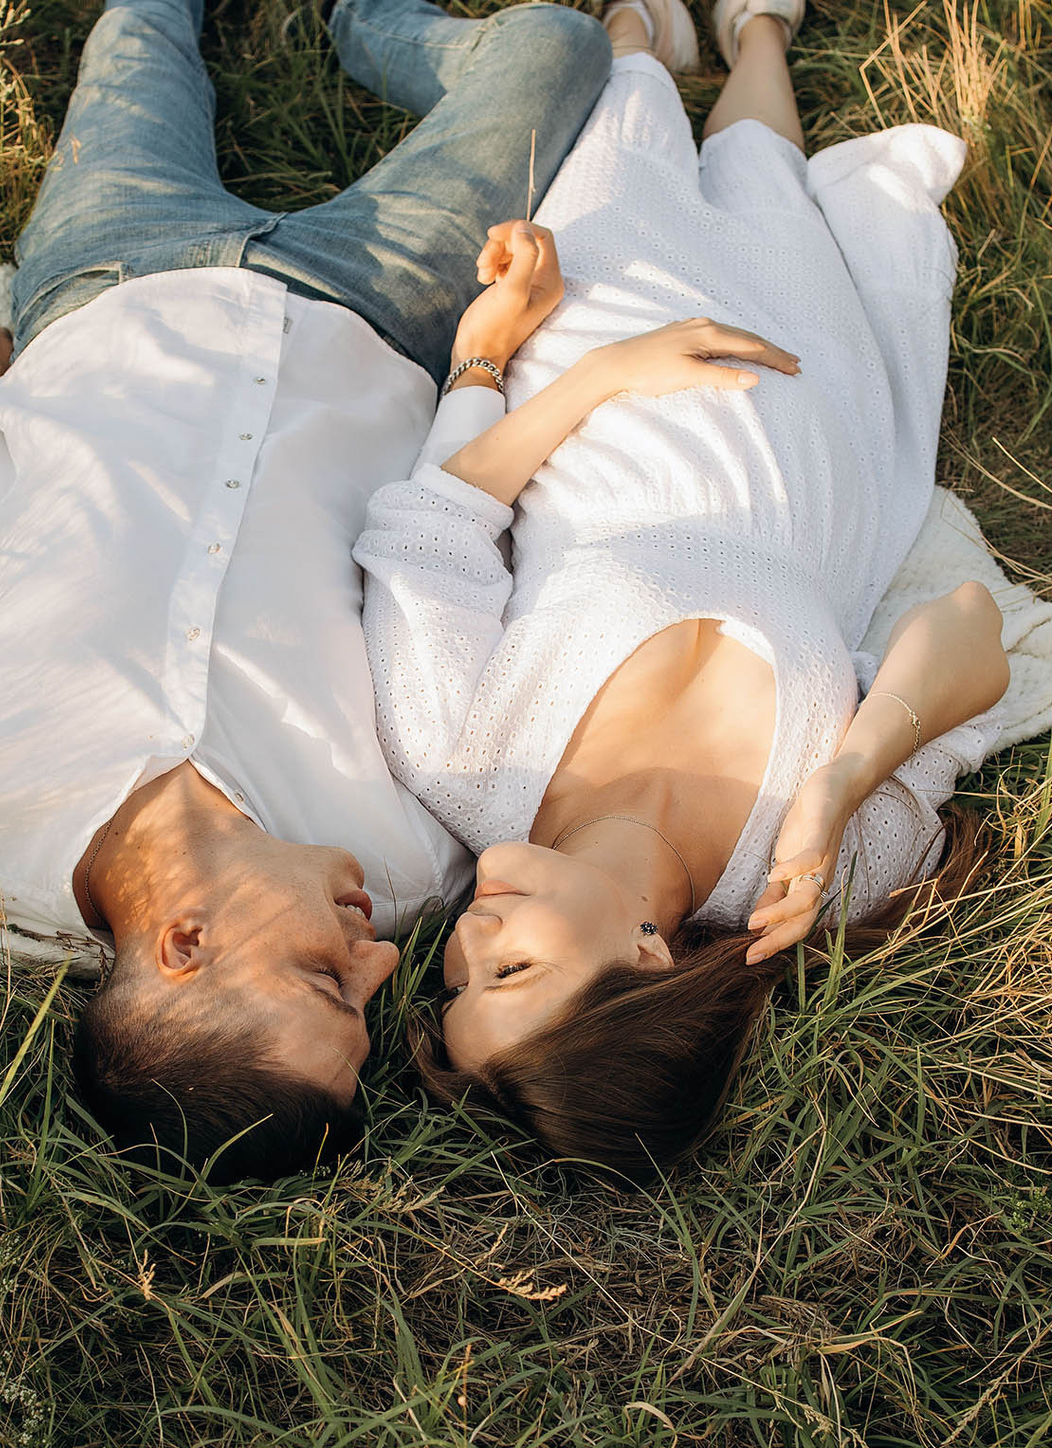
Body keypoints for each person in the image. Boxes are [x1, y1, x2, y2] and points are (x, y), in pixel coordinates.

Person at [0, 0, 611, 1181]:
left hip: (105, 283)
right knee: (559, 49)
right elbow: (452, 566)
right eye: (367, 1000)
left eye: (327, 980)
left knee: (138, 32)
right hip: (376, 308)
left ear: (182, 943)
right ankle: (359, 19)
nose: (379, 965)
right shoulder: (412, 851)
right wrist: (479, 363)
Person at [355, 0, 1012, 1174]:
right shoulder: (818, 866)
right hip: (825, 439)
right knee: (766, 182)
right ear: (649, 960)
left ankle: (640, 33)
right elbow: (967, 628)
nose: (469, 935)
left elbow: (432, 528)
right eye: (508, 969)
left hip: (608, 388)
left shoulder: (456, 758)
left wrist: (580, 369)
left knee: (628, 115)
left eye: (455, 975)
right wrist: (842, 780)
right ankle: (760, 28)